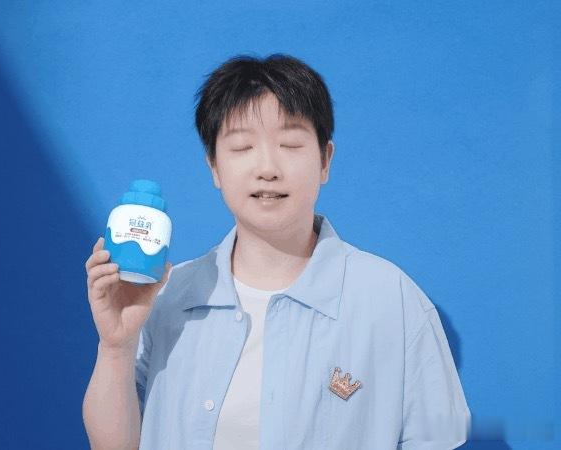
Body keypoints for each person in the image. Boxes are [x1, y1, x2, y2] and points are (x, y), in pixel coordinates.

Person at [82, 53, 470, 450]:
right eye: (242, 146)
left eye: (289, 144)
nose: (267, 168)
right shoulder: (168, 295)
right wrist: (116, 347)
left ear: (325, 160)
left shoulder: (391, 301)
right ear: (214, 167)